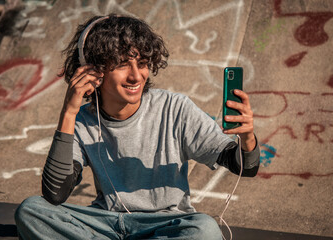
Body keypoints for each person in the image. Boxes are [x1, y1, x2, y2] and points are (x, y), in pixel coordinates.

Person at [15, 14, 260, 240]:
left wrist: (247, 137)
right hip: (105, 224)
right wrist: (68, 111)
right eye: (122, 64)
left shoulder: (174, 108)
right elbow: (56, 193)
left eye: (142, 63)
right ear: (93, 70)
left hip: (165, 224)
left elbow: (243, 166)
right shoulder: (81, 120)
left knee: (204, 230)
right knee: (31, 211)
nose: (136, 76)